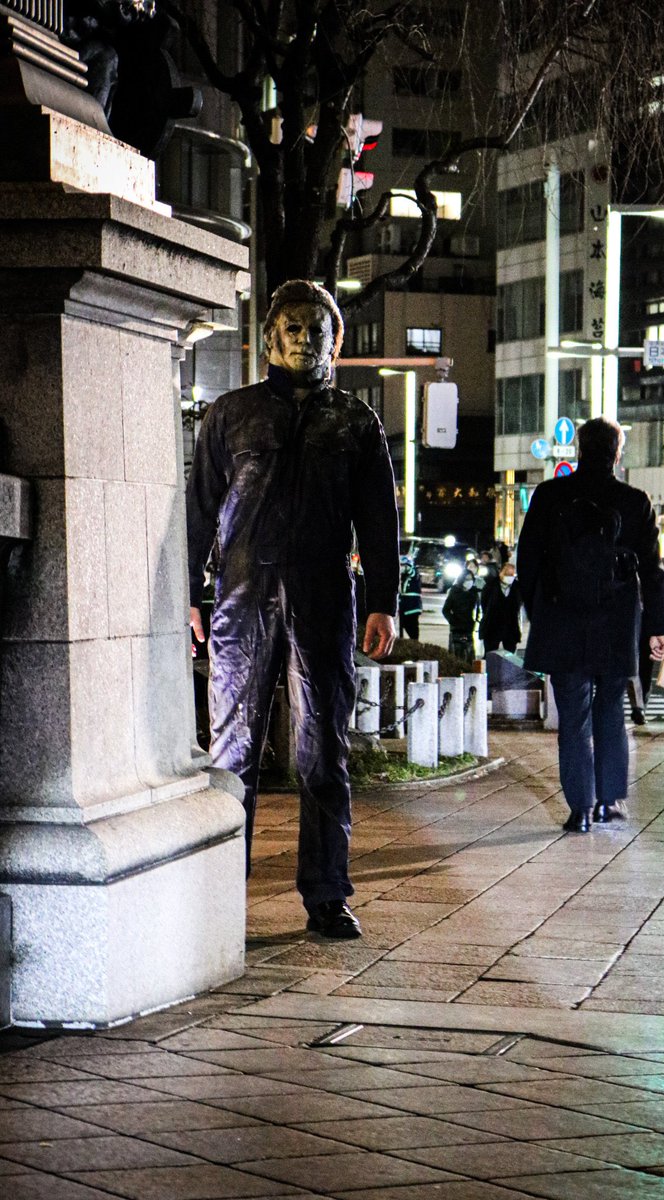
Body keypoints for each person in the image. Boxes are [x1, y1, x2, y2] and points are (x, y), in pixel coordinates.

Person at [186, 279, 399, 939]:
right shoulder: (231, 414)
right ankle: (219, 897)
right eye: (294, 328)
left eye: (317, 329)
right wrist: (189, 595)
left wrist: (384, 603)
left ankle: (327, 895)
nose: (305, 339)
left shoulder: (356, 422)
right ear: (270, 338)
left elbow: (380, 521)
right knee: (231, 752)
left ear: (336, 341)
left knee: (322, 748)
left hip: (324, 595)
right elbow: (198, 511)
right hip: (240, 597)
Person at [517, 417, 664, 833]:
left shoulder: (550, 495)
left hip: (562, 619)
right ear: (617, 453)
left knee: (573, 716)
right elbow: (652, 569)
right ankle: (608, 801)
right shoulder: (634, 501)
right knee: (610, 709)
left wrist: (538, 610)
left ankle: (580, 809)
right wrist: (658, 626)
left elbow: (528, 559)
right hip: (615, 622)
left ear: (579, 449)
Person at [628, 566, 664, 725]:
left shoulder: (655, 564)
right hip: (630, 618)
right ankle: (638, 706)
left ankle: (641, 705)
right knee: (632, 664)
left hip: (648, 622)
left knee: (645, 666)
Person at [480, 561, 523, 655]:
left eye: (512, 574)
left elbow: (518, 603)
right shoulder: (491, 586)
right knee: (490, 654)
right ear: (501, 573)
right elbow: (484, 604)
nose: (510, 577)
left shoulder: (517, 587)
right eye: (507, 574)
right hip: (493, 625)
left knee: (510, 655)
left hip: (510, 626)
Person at [442, 568, 481, 661]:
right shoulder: (454, 591)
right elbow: (445, 610)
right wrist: (452, 620)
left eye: (471, 579)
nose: (469, 581)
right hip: (456, 629)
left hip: (469, 628)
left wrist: (476, 621)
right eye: (466, 579)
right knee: (456, 656)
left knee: (469, 656)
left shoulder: (474, 593)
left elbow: (478, 610)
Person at [398, 554, 422, 640]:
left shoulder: (414, 573)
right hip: (405, 605)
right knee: (404, 623)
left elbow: (410, 571)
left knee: (412, 625)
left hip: (413, 606)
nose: (401, 567)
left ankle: (415, 642)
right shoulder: (404, 577)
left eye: (403, 565)